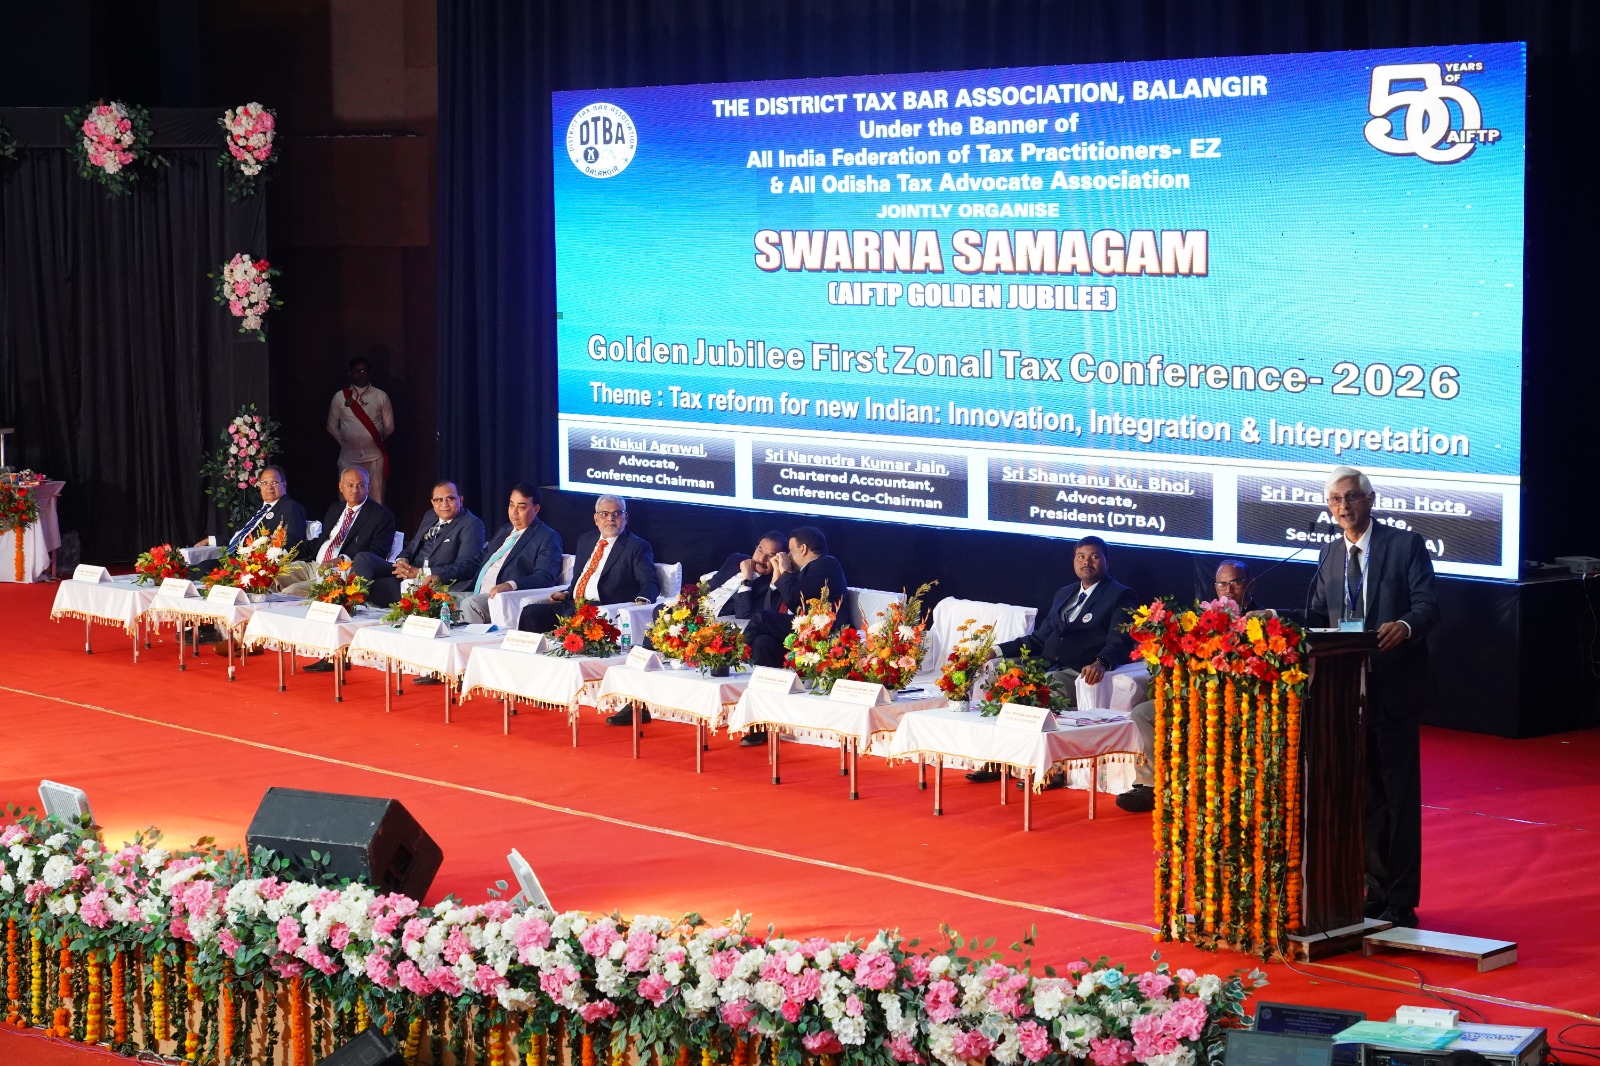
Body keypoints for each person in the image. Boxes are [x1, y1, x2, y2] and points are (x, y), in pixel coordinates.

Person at [1307, 465, 1439, 928]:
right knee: (1365, 798)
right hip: (1345, 694)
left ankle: (1402, 899)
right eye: (1336, 500)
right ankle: (1374, 889)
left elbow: (1428, 606)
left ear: (1371, 499)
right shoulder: (1328, 557)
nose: (1345, 507)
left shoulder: (1405, 546)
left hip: (1394, 688)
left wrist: (1404, 626)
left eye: (1353, 497)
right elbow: (1320, 617)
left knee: (1399, 799)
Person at [969, 535, 1140, 785]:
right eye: (1081, 556)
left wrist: (1102, 662)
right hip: (1046, 662)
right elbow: (1039, 638)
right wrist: (997, 650)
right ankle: (999, 757)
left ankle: (1052, 769)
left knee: (1045, 685)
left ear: (1106, 560)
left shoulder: (1120, 595)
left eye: (1094, 556)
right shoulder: (1065, 593)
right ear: (1074, 561)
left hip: (1077, 671)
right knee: (998, 671)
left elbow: (1120, 640)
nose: (1086, 562)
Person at [1116, 559, 1262, 813]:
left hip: (1237, 699)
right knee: (1143, 712)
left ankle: (1199, 791)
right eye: (1222, 584)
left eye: (1235, 583)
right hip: (1198, 693)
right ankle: (1150, 785)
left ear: (1249, 585)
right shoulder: (1204, 620)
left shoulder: (1262, 620)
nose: (1228, 590)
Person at [610, 529, 785, 726]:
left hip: (717, 625)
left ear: (778, 559)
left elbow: (745, 613)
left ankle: (640, 701)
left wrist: (746, 579)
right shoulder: (736, 559)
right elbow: (710, 587)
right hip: (697, 613)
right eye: (760, 550)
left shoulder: (770, 582)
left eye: (770, 556)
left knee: (668, 623)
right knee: (662, 611)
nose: (762, 558)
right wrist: (687, 602)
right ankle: (637, 701)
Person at [736, 526, 855, 746]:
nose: (788, 556)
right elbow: (776, 606)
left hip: (821, 633)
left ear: (803, 548)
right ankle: (760, 724)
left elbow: (795, 598)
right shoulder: (802, 572)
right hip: (802, 631)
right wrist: (777, 577)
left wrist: (785, 571)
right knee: (763, 643)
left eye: (790, 550)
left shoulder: (826, 564)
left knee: (762, 618)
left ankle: (735, 654)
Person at [517, 494, 658, 632]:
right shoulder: (586, 540)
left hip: (604, 607)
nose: (610, 519)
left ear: (625, 518)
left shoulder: (636, 546)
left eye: (617, 514)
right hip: (574, 603)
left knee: (570, 616)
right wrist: (567, 593)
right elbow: (582, 576)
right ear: (596, 519)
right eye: (604, 514)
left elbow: (650, 581)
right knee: (531, 613)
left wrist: (642, 602)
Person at [438, 484, 564, 627]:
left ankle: (471, 647)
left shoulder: (547, 537)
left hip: (502, 599)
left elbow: (545, 577)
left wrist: (510, 585)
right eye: (511, 505)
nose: (514, 512)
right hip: (475, 591)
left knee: (470, 604)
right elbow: (477, 561)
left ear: (536, 509)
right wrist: (440, 575)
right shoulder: (504, 530)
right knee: (440, 600)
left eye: (521, 507)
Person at [351, 479, 486, 606]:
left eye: (450, 499)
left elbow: (466, 566)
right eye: (438, 500)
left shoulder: (472, 524)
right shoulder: (430, 516)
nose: (444, 504)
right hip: (409, 571)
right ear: (433, 503)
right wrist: (402, 560)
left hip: (431, 580)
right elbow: (412, 546)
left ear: (460, 500)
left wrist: (420, 573)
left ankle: (353, 602)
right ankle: (353, 601)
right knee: (363, 559)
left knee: (373, 587)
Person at [193, 464, 307, 564]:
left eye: (274, 482)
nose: (269, 487)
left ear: (284, 485)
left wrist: (266, 558)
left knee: (202, 568)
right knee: (195, 566)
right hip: (233, 560)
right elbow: (242, 536)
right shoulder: (261, 508)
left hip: (253, 564)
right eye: (264, 483)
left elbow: (294, 541)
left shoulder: (291, 508)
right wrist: (210, 540)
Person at [326, 355, 394, 503]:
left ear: (369, 373)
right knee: (347, 499)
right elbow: (331, 426)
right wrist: (345, 442)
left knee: (377, 499)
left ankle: (376, 527)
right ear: (350, 373)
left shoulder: (380, 396)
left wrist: (372, 441)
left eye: (364, 371)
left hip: (375, 456)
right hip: (349, 457)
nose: (361, 374)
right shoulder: (340, 397)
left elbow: (389, 427)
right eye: (357, 371)